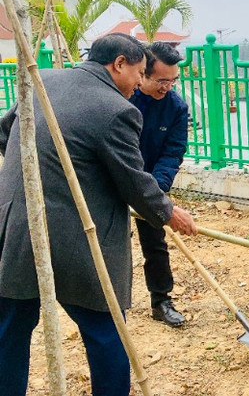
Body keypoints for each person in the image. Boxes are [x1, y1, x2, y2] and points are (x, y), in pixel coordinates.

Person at [0, 33, 197, 396]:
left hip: (17, 227)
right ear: (118, 64)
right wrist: (168, 211)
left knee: (9, 327)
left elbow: (8, 131)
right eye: (139, 73)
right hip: (78, 238)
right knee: (106, 330)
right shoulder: (116, 109)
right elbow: (133, 181)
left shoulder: (45, 80)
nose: (140, 82)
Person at [130, 42, 189, 327]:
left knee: (155, 243)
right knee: (105, 240)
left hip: (151, 182)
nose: (167, 87)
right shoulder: (123, 98)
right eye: (161, 80)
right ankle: (106, 304)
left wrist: (155, 189)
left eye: (173, 80)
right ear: (142, 74)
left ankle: (161, 300)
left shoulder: (176, 107)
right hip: (112, 179)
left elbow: (173, 151)